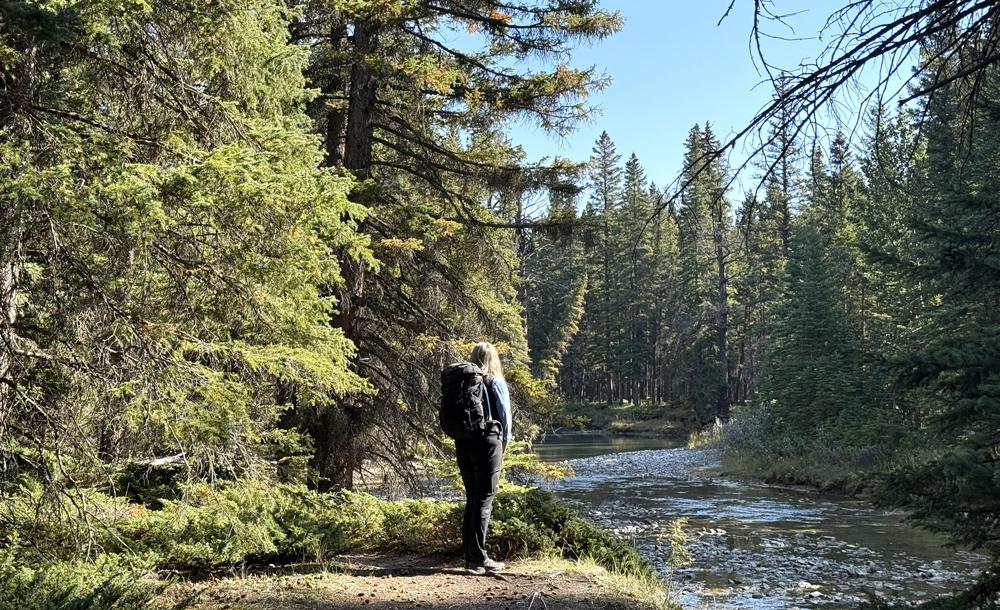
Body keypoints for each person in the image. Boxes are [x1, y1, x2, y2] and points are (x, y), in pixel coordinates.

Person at [456, 341, 513, 574]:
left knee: (472, 498)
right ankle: (479, 560)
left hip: (463, 442)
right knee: (484, 500)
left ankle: (470, 557)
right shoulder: (495, 382)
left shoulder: (464, 383)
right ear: (493, 359)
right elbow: (505, 417)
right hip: (488, 443)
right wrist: (505, 443)